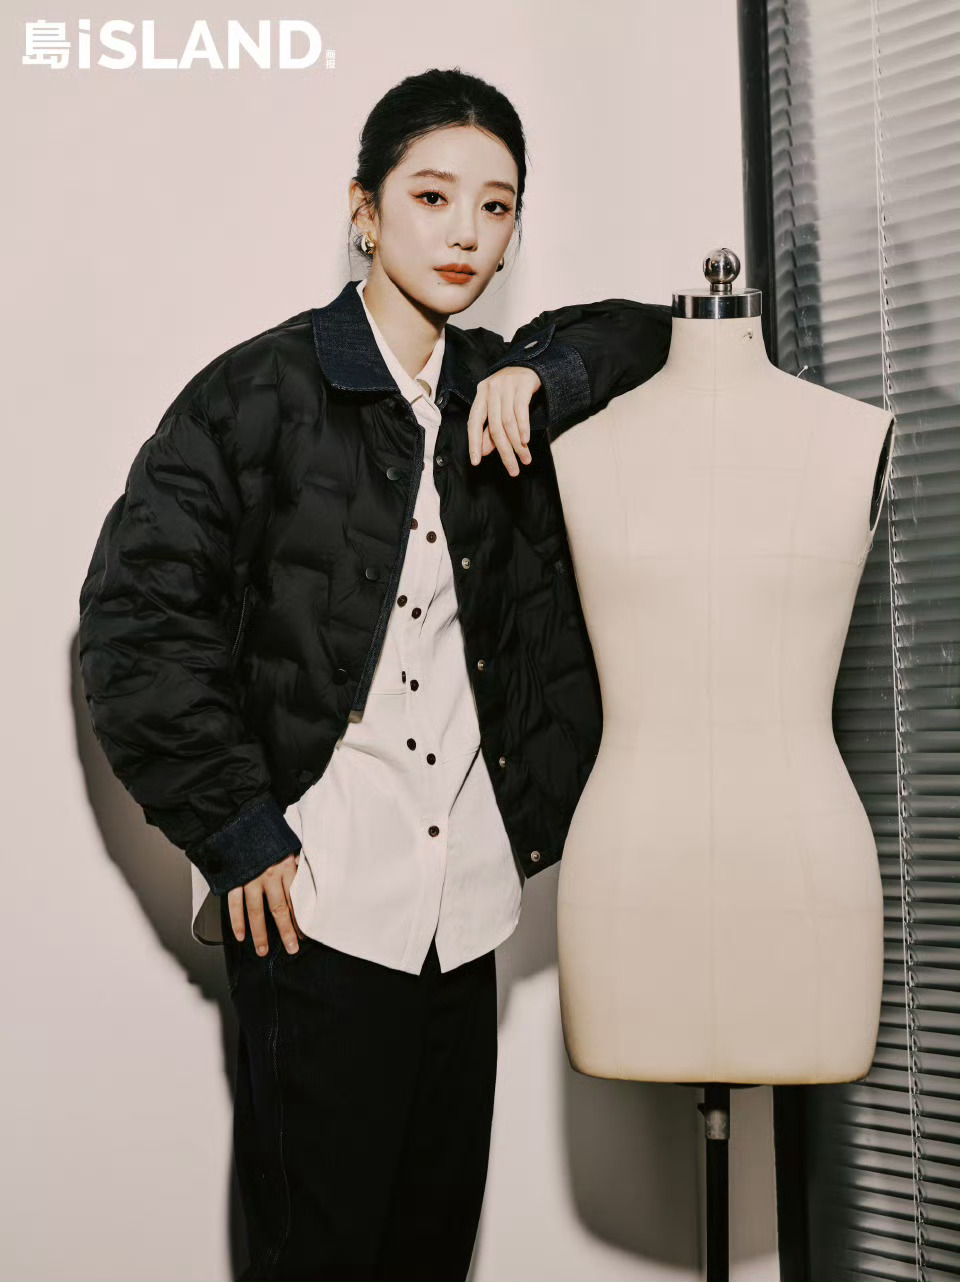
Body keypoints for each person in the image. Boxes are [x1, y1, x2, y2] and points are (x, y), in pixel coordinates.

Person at [78, 67, 671, 1282]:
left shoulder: (496, 390)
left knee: (429, 1251)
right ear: (366, 210)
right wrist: (237, 827)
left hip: (465, 911)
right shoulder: (260, 392)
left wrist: (545, 375)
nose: (466, 233)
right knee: (320, 1256)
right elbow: (136, 620)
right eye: (433, 196)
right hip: (321, 903)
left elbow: (651, 333)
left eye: (497, 207)